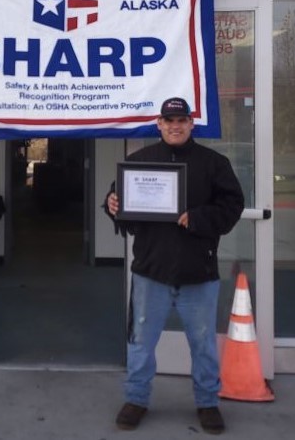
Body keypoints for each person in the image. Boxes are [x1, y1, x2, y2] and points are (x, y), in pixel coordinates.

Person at [104, 97, 244, 435]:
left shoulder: (214, 164)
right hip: (151, 270)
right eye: (169, 121)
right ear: (159, 124)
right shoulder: (138, 162)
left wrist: (197, 218)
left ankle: (208, 402)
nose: (175, 126)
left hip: (199, 271)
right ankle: (136, 398)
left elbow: (232, 206)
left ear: (192, 124)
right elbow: (118, 203)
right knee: (140, 342)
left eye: (181, 120)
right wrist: (111, 204)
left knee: (203, 343)